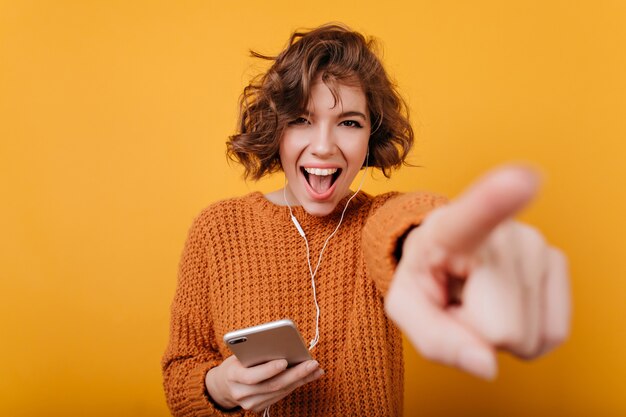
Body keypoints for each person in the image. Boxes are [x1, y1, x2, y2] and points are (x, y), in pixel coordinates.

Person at [161, 24, 571, 416]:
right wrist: (220, 388)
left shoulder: (377, 220)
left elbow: (406, 226)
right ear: (276, 128)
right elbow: (180, 374)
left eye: (349, 122)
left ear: (371, 136)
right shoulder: (217, 230)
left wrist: (434, 245)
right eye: (302, 120)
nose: (323, 146)